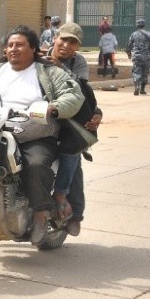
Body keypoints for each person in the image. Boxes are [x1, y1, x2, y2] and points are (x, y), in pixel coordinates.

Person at [0, 25, 84, 245]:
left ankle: (40, 214)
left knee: (36, 164)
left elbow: (73, 95)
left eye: (20, 45)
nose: (14, 49)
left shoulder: (49, 72)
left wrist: (53, 108)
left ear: (33, 49)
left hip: (34, 133)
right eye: (10, 45)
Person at [43, 23, 102, 236]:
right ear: (55, 38)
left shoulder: (78, 62)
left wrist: (97, 112)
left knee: (72, 156)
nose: (66, 45)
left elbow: (83, 91)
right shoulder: (38, 56)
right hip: (39, 116)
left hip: (70, 118)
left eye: (72, 42)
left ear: (77, 47)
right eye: (63, 39)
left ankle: (74, 213)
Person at [126, 19, 150, 95]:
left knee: (136, 72)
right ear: (144, 25)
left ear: (137, 25)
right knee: (145, 73)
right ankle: (142, 89)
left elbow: (129, 45)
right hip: (147, 57)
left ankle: (137, 87)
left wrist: (129, 54)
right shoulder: (149, 34)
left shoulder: (133, 34)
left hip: (137, 57)